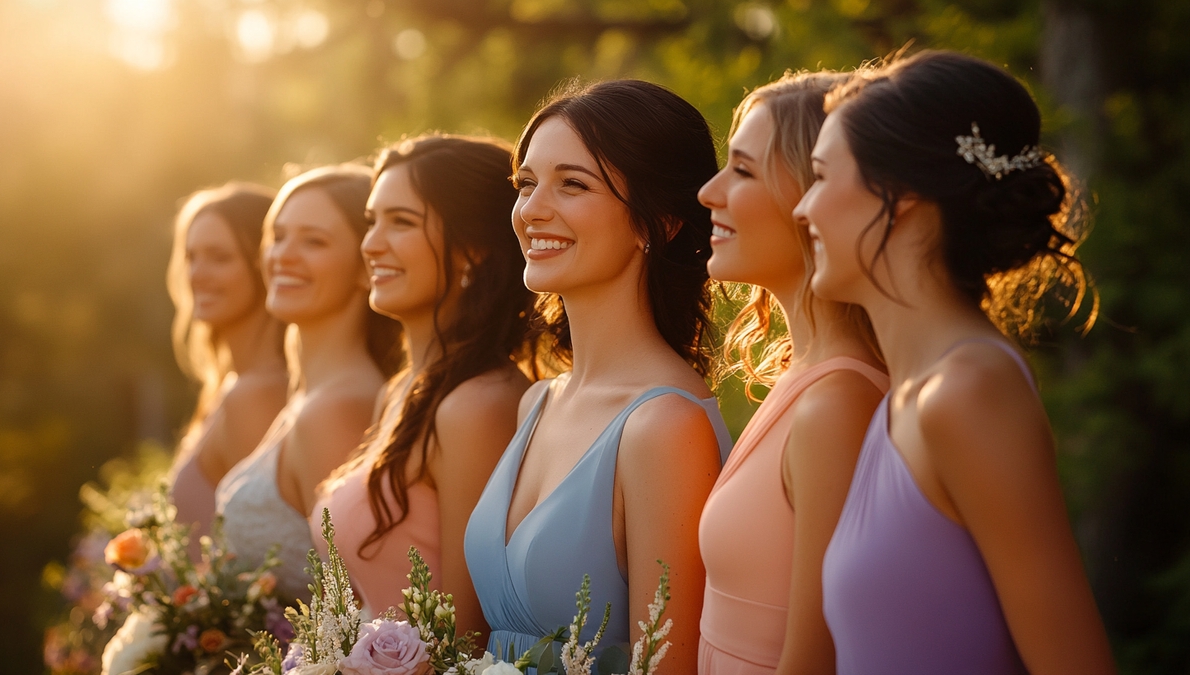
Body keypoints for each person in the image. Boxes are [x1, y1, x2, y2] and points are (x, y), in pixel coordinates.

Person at [796, 50, 1115, 674]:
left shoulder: (969, 391)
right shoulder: (904, 394)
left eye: (821, 177)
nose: (802, 208)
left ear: (903, 193)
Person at [464, 79, 733, 672]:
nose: (531, 210)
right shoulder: (536, 402)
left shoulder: (664, 426)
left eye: (573, 184)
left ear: (658, 223)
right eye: (527, 183)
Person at [695, 72, 887, 675]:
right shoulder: (804, 378)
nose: (708, 191)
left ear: (813, 195)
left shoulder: (840, 404)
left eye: (744, 171)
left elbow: (817, 658)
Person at [311, 135, 535, 632]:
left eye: (402, 222)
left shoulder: (478, 406)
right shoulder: (400, 390)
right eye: (372, 221)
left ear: (473, 250)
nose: (371, 244)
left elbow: (467, 635)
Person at [216, 165, 402, 603]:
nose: (284, 255)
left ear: (367, 266)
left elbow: (357, 602)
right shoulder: (309, 395)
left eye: (314, 241)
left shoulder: (338, 408)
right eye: (278, 236)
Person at [165, 183, 288, 554]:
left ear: (266, 265)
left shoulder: (258, 396)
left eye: (219, 257)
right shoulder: (227, 386)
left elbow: (268, 552)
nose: (198, 273)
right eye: (191, 257)